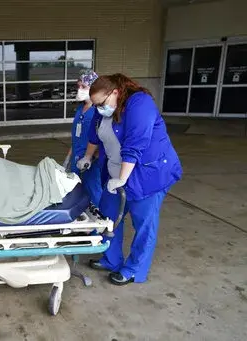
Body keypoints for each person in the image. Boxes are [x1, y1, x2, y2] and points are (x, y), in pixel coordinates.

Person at [76, 73, 182, 286]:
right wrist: (88, 157)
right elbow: (94, 136)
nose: (99, 109)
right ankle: (111, 259)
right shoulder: (102, 108)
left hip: (147, 175)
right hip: (115, 171)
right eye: (96, 105)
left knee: (144, 223)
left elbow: (136, 144)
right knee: (108, 216)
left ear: (115, 92)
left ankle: (134, 269)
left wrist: (123, 178)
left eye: (102, 104)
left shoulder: (139, 103)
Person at [62, 70, 103, 205]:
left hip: (90, 162)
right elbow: (76, 137)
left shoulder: (99, 111)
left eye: (83, 87)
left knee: (94, 194)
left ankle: (98, 225)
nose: (79, 89)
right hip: (76, 159)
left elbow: (101, 139)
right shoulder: (81, 109)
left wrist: (90, 157)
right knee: (76, 193)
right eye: (78, 86)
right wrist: (68, 158)